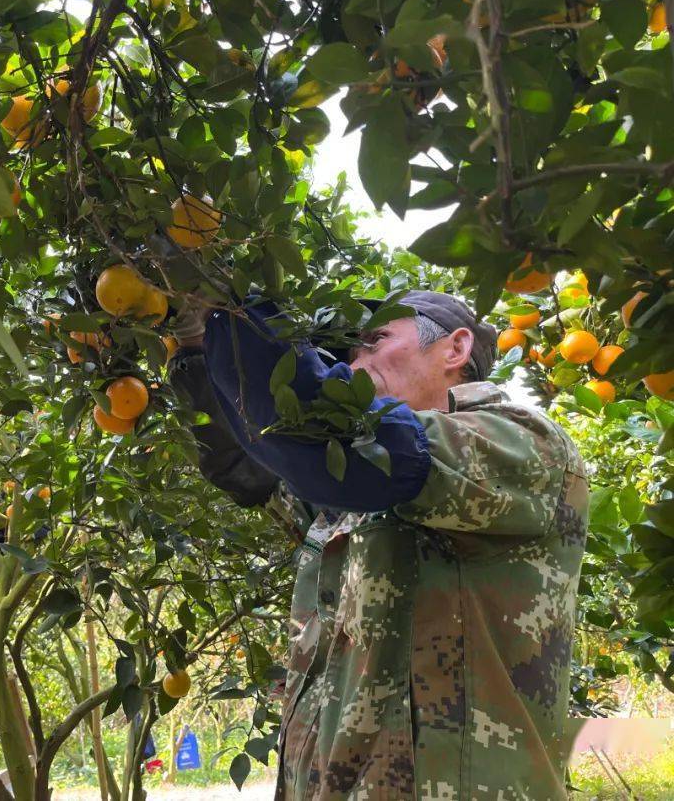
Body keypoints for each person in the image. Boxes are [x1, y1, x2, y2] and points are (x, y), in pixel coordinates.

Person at [168, 291, 588, 800]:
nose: (353, 360)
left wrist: (231, 309)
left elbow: (335, 437)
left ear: (455, 349)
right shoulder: (352, 492)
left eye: (375, 340)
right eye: (350, 350)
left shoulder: (522, 442)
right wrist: (195, 348)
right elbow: (249, 467)